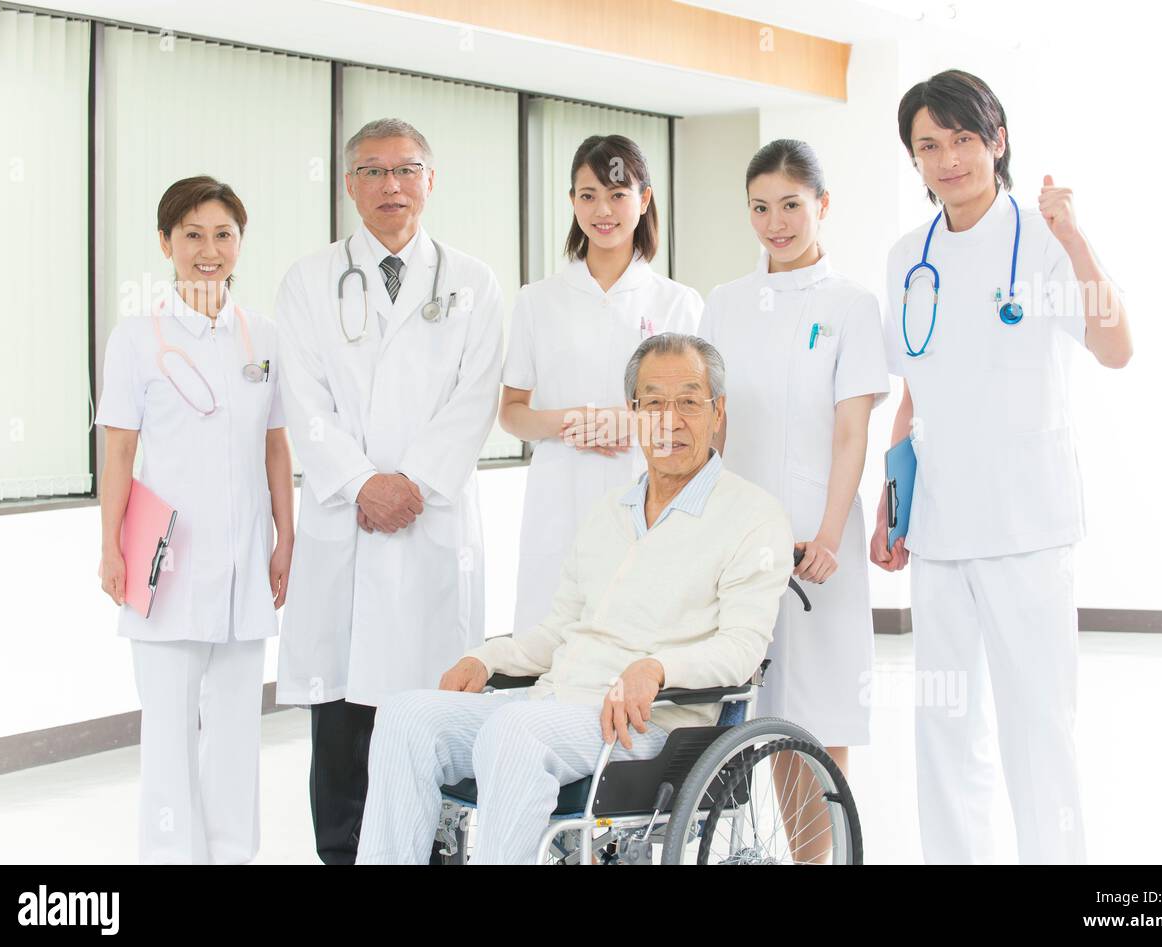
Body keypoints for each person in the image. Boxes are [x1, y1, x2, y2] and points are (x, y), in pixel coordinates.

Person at [356, 333, 793, 864]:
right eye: (654, 403)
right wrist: (485, 657)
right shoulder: (610, 511)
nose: (670, 420)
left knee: (516, 730)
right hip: (556, 703)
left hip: (649, 723)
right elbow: (558, 631)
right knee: (406, 716)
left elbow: (742, 650)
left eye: (689, 402)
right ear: (634, 412)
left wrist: (656, 667)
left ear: (718, 411)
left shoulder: (753, 516)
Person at [870, 70, 1133, 865]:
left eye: (963, 140)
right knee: (944, 728)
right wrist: (892, 499)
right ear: (913, 159)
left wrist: (1078, 238)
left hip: (1027, 527)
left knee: (1038, 727)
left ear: (997, 142)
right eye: (929, 145)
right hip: (943, 529)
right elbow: (918, 385)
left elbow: (1118, 349)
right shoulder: (906, 255)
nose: (948, 159)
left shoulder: (1046, 237)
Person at [274, 118, 504, 864]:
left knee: (428, 714)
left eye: (406, 170)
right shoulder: (308, 281)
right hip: (348, 525)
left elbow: (477, 398)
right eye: (371, 172)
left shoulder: (473, 281)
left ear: (430, 182)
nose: (390, 186)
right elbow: (302, 403)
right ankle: (343, 853)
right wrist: (362, 482)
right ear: (349, 186)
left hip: (429, 524)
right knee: (342, 726)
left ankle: (434, 851)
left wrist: (414, 483)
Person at [698, 139, 888, 861]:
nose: (775, 223)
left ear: (822, 206)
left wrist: (831, 532)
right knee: (764, 713)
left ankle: (823, 856)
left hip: (817, 543)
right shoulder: (726, 303)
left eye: (790, 206)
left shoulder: (851, 305)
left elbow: (850, 430)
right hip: (742, 542)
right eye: (760, 207)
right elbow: (712, 425)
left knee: (821, 710)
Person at [96, 175, 293, 864]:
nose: (209, 250)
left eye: (223, 235)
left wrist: (284, 538)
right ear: (165, 243)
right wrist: (110, 548)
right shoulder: (136, 336)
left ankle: (233, 854)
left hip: (243, 554)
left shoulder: (261, 335)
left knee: (238, 725)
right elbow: (118, 448)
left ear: (240, 243)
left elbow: (275, 443)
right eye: (193, 235)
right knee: (170, 728)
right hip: (162, 554)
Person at [500, 134, 701, 637]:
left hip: (648, 490)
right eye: (587, 195)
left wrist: (631, 423)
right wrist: (576, 423)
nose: (602, 210)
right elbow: (512, 412)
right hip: (559, 496)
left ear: (644, 199)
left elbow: (698, 415)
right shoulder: (537, 300)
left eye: (617, 194)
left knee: (636, 642)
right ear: (571, 202)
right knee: (551, 642)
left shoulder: (678, 303)